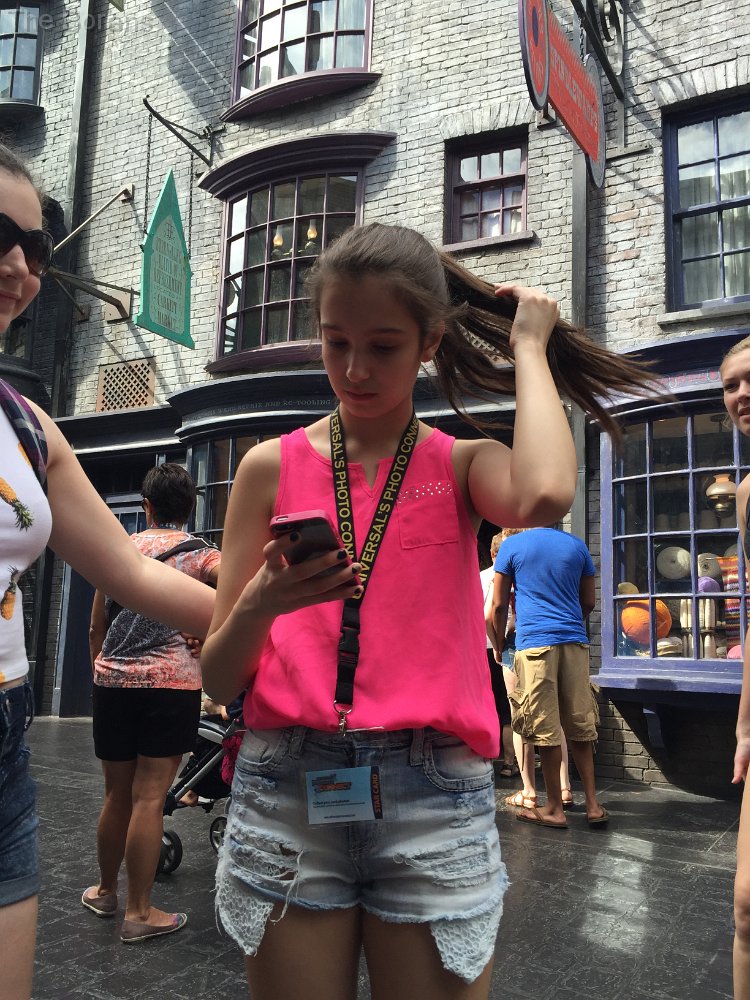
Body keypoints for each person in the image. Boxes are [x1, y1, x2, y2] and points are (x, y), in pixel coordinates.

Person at [200, 222, 654, 1000]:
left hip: (431, 793)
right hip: (288, 788)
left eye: (383, 346)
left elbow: (546, 492)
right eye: (335, 342)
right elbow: (217, 674)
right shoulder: (268, 468)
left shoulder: (461, 462)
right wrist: (261, 604)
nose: (354, 369)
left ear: (429, 342)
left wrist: (532, 347)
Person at [0, 144, 216, 1000]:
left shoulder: (29, 427)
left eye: (36, 247)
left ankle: (115, 895)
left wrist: (286, 614)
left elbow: (127, 573)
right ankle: (132, 903)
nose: (20, 267)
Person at [83, 463, 221, 942]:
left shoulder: (119, 552)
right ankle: (139, 913)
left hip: (112, 685)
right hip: (171, 686)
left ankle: (105, 892)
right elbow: (238, 589)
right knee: (149, 798)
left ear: (146, 506)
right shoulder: (202, 555)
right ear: (191, 508)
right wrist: (208, 634)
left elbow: (96, 626)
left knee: (116, 795)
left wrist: (103, 674)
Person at [490, 525, 607, 830]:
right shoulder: (576, 545)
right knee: (580, 723)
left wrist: (499, 644)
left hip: (535, 644)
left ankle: (554, 807)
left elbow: (498, 606)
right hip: (574, 642)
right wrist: (569, 623)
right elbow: (589, 601)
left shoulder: (511, 546)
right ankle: (593, 805)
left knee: (544, 725)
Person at [485, 527, 573, 811]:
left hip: (517, 643)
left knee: (519, 718)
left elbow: (491, 612)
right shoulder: (543, 567)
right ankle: (564, 788)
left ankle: (529, 791)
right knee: (553, 717)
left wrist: (497, 644)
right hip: (553, 640)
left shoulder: (502, 573)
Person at [720, 336, 750, 1000]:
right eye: (730, 384)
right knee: (747, 906)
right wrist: (745, 728)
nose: (741, 395)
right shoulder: (746, 493)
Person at [479, 533, 515, 776]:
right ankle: (510, 762)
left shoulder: (480, 578)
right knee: (508, 706)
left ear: (492, 553)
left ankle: (487, 757)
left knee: (489, 704)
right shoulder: (515, 576)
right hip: (508, 645)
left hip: (483, 647)